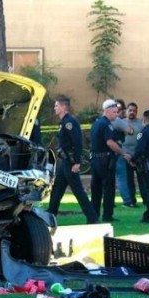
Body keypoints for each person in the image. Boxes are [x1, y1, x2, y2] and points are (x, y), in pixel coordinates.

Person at [47, 96, 99, 224]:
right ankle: (50, 215)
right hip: (65, 162)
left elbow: (77, 142)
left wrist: (77, 162)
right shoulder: (64, 121)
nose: (55, 108)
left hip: (70, 163)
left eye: (56, 106)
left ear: (64, 107)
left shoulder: (69, 122)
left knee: (78, 191)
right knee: (57, 189)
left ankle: (92, 218)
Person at [90, 99, 131, 222]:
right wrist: (123, 153)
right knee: (108, 189)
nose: (117, 115)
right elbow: (110, 142)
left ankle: (94, 215)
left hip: (95, 160)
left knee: (96, 190)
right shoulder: (106, 124)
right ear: (107, 111)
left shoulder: (96, 123)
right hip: (105, 161)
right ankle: (108, 215)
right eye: (114, 112)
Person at [122, 102, 145, 207]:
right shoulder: (120, 123)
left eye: (134, 110)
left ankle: (146, 200)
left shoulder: (141, 123)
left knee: (143, 180)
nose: (132, 112)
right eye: (130, 110)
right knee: (128, 180)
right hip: (125, 156)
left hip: (139, 156)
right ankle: (131, 201)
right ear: (126, 111)